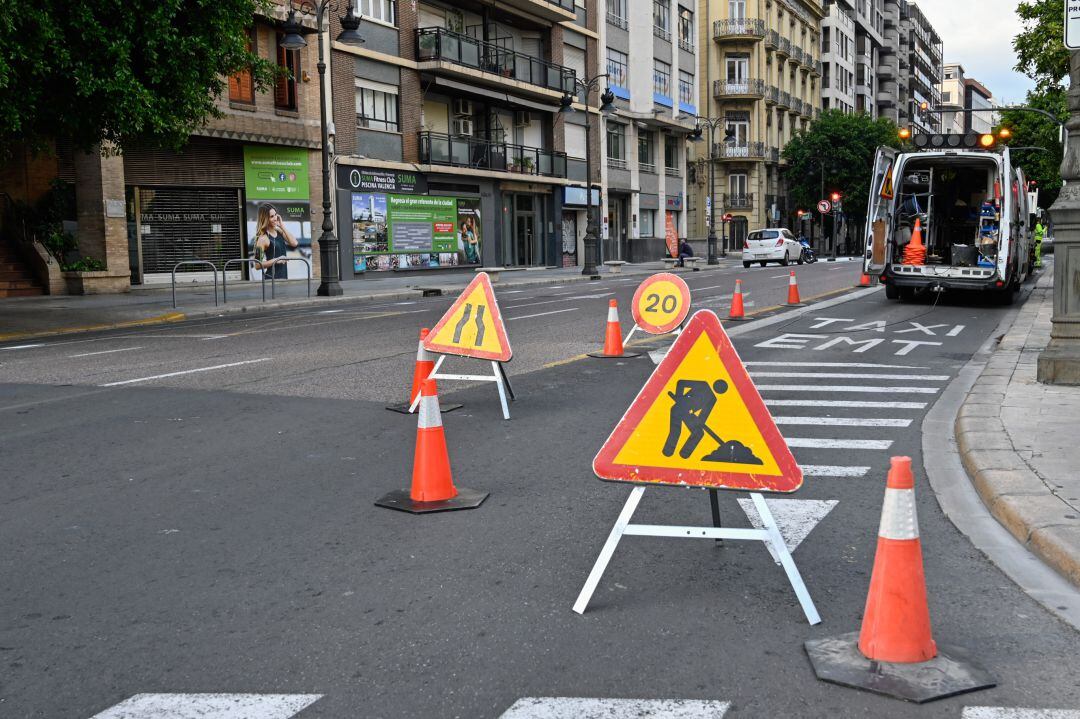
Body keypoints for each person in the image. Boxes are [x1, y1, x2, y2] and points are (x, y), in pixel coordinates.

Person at [252, 203, 298, 280]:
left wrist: (282, 226)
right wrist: (277, 260)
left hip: (283, 278)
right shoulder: (262, 239)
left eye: (275, 215)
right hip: (271, 280)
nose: (275, 218)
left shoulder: (279, 231)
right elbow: (257, 265)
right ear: (265, 219)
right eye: (271, 216)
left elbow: (294, 243)